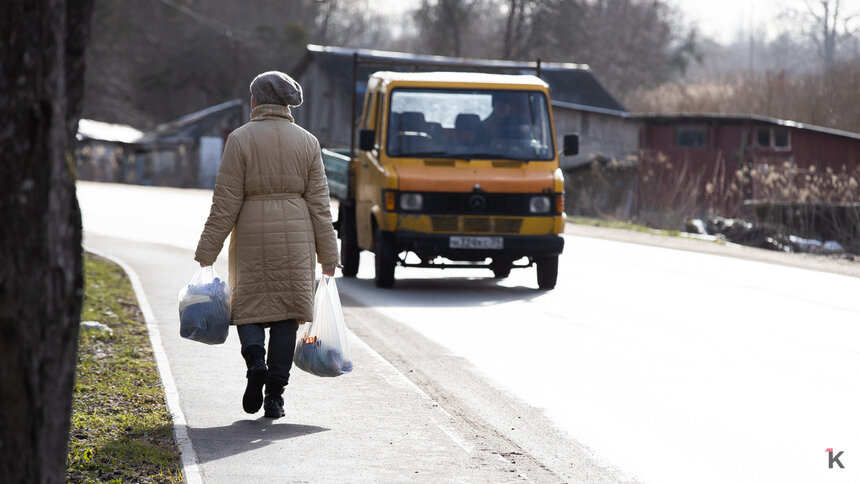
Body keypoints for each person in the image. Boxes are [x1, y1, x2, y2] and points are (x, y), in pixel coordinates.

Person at [195, 71, 339, 419]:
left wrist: (207, 251)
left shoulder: (240, 140)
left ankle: (255, 361)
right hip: (296, 238)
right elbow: (320, 204)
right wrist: (329, 256)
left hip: (251, 238)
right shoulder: (307, 142)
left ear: (256, 101)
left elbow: (225, 202)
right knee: (288, 316)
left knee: (248, 307)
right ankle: (275, 394)